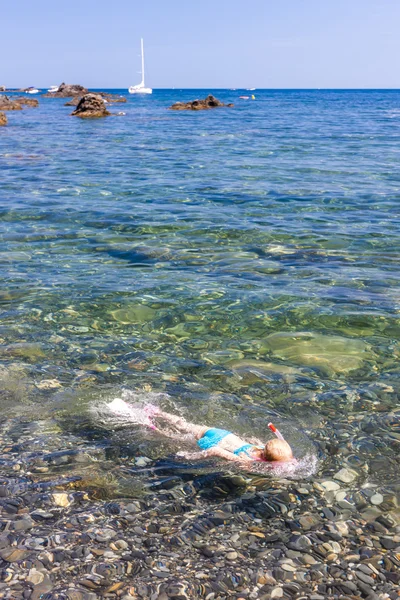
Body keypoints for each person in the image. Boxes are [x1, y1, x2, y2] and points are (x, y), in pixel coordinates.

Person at [144, 405, 294, 464]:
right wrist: (188, 456)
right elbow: (214, 451)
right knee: (172, 437)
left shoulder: (261, 446)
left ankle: (157, 412)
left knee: (184, 425)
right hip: (212, 443)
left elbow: (252, 440)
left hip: (223, 434)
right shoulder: (246, 459)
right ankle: (151, 426)